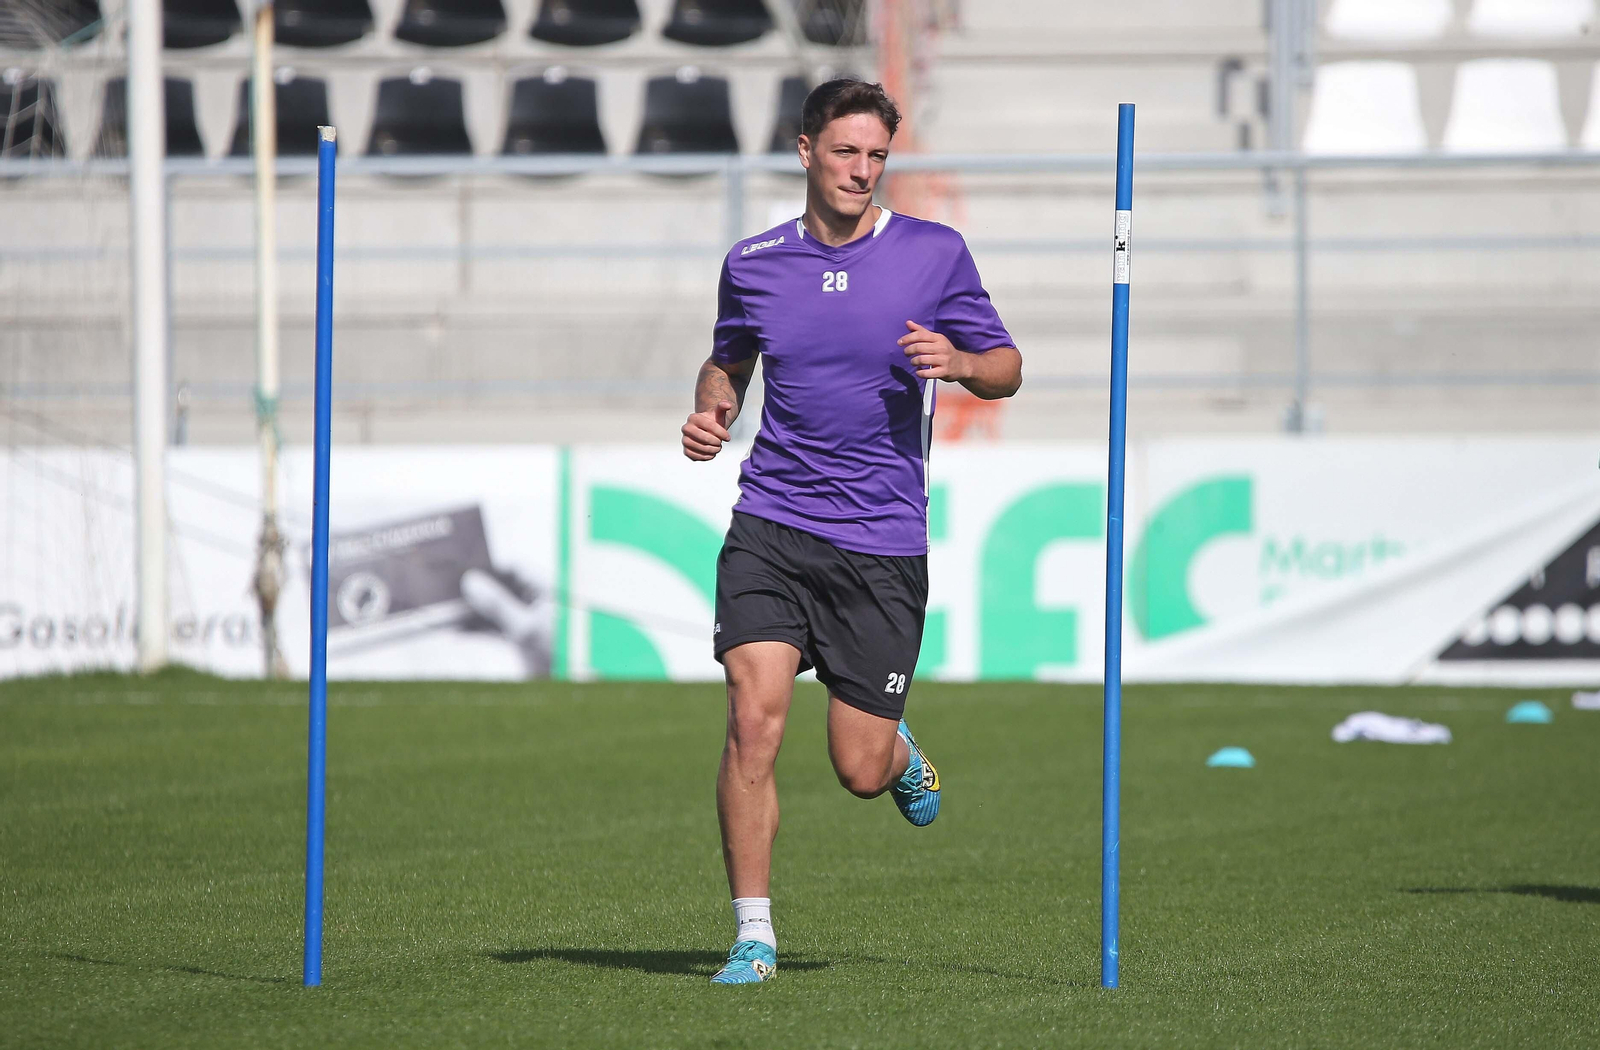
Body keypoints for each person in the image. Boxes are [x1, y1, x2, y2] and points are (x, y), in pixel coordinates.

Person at [680, 78, 1023, 985]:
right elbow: (730, 359)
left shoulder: (932, 253)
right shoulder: (753, 260)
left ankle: (903, 753)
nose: (861, 171)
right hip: (771, 524)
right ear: (805, 151)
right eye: (845, 152)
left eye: (876, 156)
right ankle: (754, 933)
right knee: (753, 724)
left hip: (879, 541)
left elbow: (1007, 367)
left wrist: (959, 362)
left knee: (858, 768)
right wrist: (711, 411)